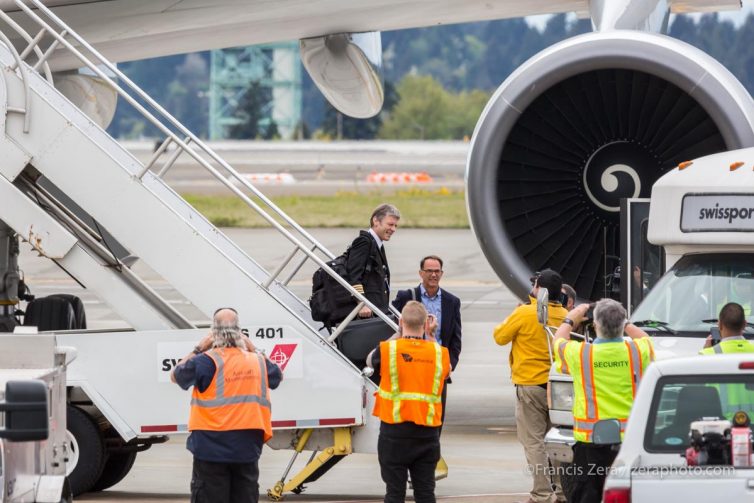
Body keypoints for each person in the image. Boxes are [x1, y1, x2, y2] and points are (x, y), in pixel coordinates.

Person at [171, 308, 283, 503]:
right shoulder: (258, 362)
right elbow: (276, 377)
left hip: (210, 448)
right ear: (240, 332)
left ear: (213, 333)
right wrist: (253, 349)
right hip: (247, 448)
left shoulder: (206, 361)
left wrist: (198, 348)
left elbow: (176, 375)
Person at [553, 299, 654, 503]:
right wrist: (623, 322)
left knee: (588, 494)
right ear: (622, 324)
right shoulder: (636, 351)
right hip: (628, 441)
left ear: (595, 325)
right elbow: (646, 339)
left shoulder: (580, 353)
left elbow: (558, 340)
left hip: (591, 442)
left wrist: (572, 317)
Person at [493, 268, 568, 503]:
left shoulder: (525, 312)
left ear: (539, 290)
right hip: (556, 387)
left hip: (530, 384)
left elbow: (499, 337)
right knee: (556, 441)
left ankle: (542, 493)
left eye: (534, 284)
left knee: (533, 442)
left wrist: (516, 313)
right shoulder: (565, 314)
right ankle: (562, 490)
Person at [367, 301, 450, 503]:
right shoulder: (439, 353)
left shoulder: (388, 350)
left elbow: (370, 361)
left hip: (394, 434)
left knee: (394, 493)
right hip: (426, 435)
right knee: (425, 493)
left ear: (400, 321)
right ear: (425, 324)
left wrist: (398, 333)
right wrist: (430, 337)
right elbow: (445, 372)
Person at [393, 254, 462, 479]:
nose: (433, 275)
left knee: (435, 422)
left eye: (437, 271)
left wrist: (449, 365)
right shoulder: (407, 297)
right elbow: (393, 327)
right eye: (429, 270)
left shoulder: (452, 301)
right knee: (410, 421)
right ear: (420, 273)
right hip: (411, 368)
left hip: (437, 371)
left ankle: (426, 467)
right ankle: (412, 467)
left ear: (442, 273)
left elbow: (455, 340)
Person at [346, 203, 400, 318]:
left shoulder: (377, 244)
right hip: (365, 314)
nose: (393, 229)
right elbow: (353, 275)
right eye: (390, 224)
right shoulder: (364, 242)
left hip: (376, 311)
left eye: (395, 225)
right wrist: (361, 303)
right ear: (376, 221)